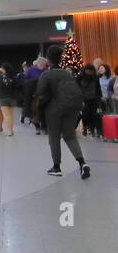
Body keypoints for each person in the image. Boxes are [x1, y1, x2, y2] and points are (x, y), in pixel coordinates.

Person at [34, 44, 90, 179]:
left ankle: (56, 167)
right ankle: (82, 163)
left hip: (54, 110)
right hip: (72, 108)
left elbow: (39, 93)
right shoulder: (68, 73)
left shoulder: (46, 74)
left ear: (48, 59)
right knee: (70, 136)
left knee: (54, 137)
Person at [78, 62, 102, 137]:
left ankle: (92, 129)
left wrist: (99, 97)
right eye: (88, 70)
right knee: (85, 114)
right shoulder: (80, 77)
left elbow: (98, 88)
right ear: (85, 70)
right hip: (83, 99)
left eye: (91, 70)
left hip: (94, 99)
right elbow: (77, 87)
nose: (89, 72)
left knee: (93, 114)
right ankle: (85, 127)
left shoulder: (95, 77)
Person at [21, 56, 45, 130]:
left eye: (44, 65)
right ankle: (36, 124)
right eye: (42, 64)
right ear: (38, 64)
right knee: (34, 109)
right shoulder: (31, 70)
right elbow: (25, 81)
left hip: (43, 93)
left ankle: (43, 125)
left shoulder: (46, 71)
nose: (43, 66)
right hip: (32, 93)